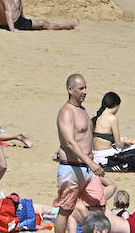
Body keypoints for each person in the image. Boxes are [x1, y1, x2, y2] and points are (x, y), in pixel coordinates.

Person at [54, 74, 106, 233]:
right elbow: (70, 142)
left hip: (89, 170)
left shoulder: (82, 110)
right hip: (72, 168)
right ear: (70, 90)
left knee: (99, 206)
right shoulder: (66, 112)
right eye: (81, 88)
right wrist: (91, 163)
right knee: (66, 210)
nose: (85, 92)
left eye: (86, 88)